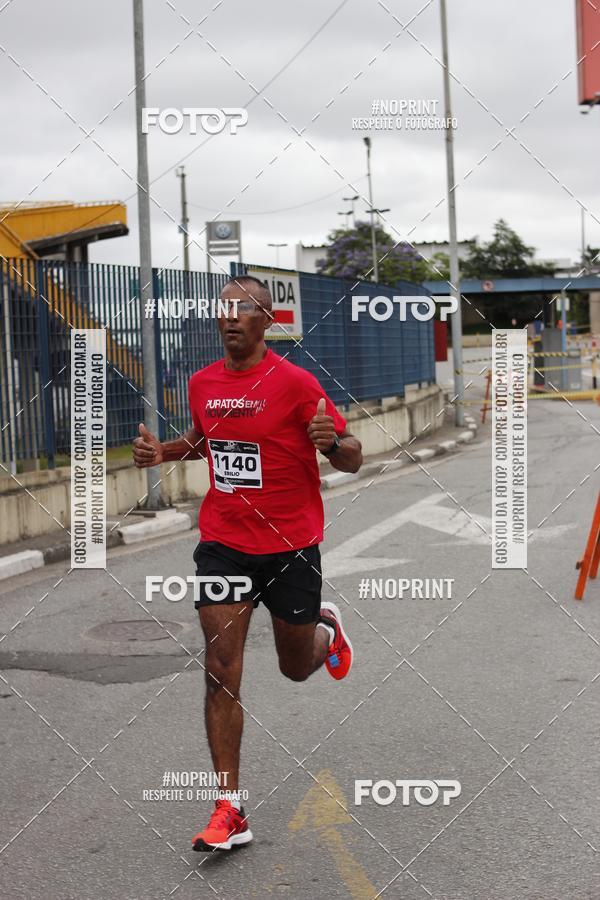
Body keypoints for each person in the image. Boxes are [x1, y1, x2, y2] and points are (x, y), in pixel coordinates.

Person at [133, 275, 363, 851]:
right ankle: (229, 807)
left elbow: (354, 457)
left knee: (294, 667)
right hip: (225, 543)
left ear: (267, 321)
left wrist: (332, 444)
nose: (231, 317)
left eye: (245, 309)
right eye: (225, 308)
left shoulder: (296, 384)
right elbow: (205, 439)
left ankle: (326, 631)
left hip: (290, 546)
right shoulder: (203, 383)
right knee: (220, 668)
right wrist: (162, 452)